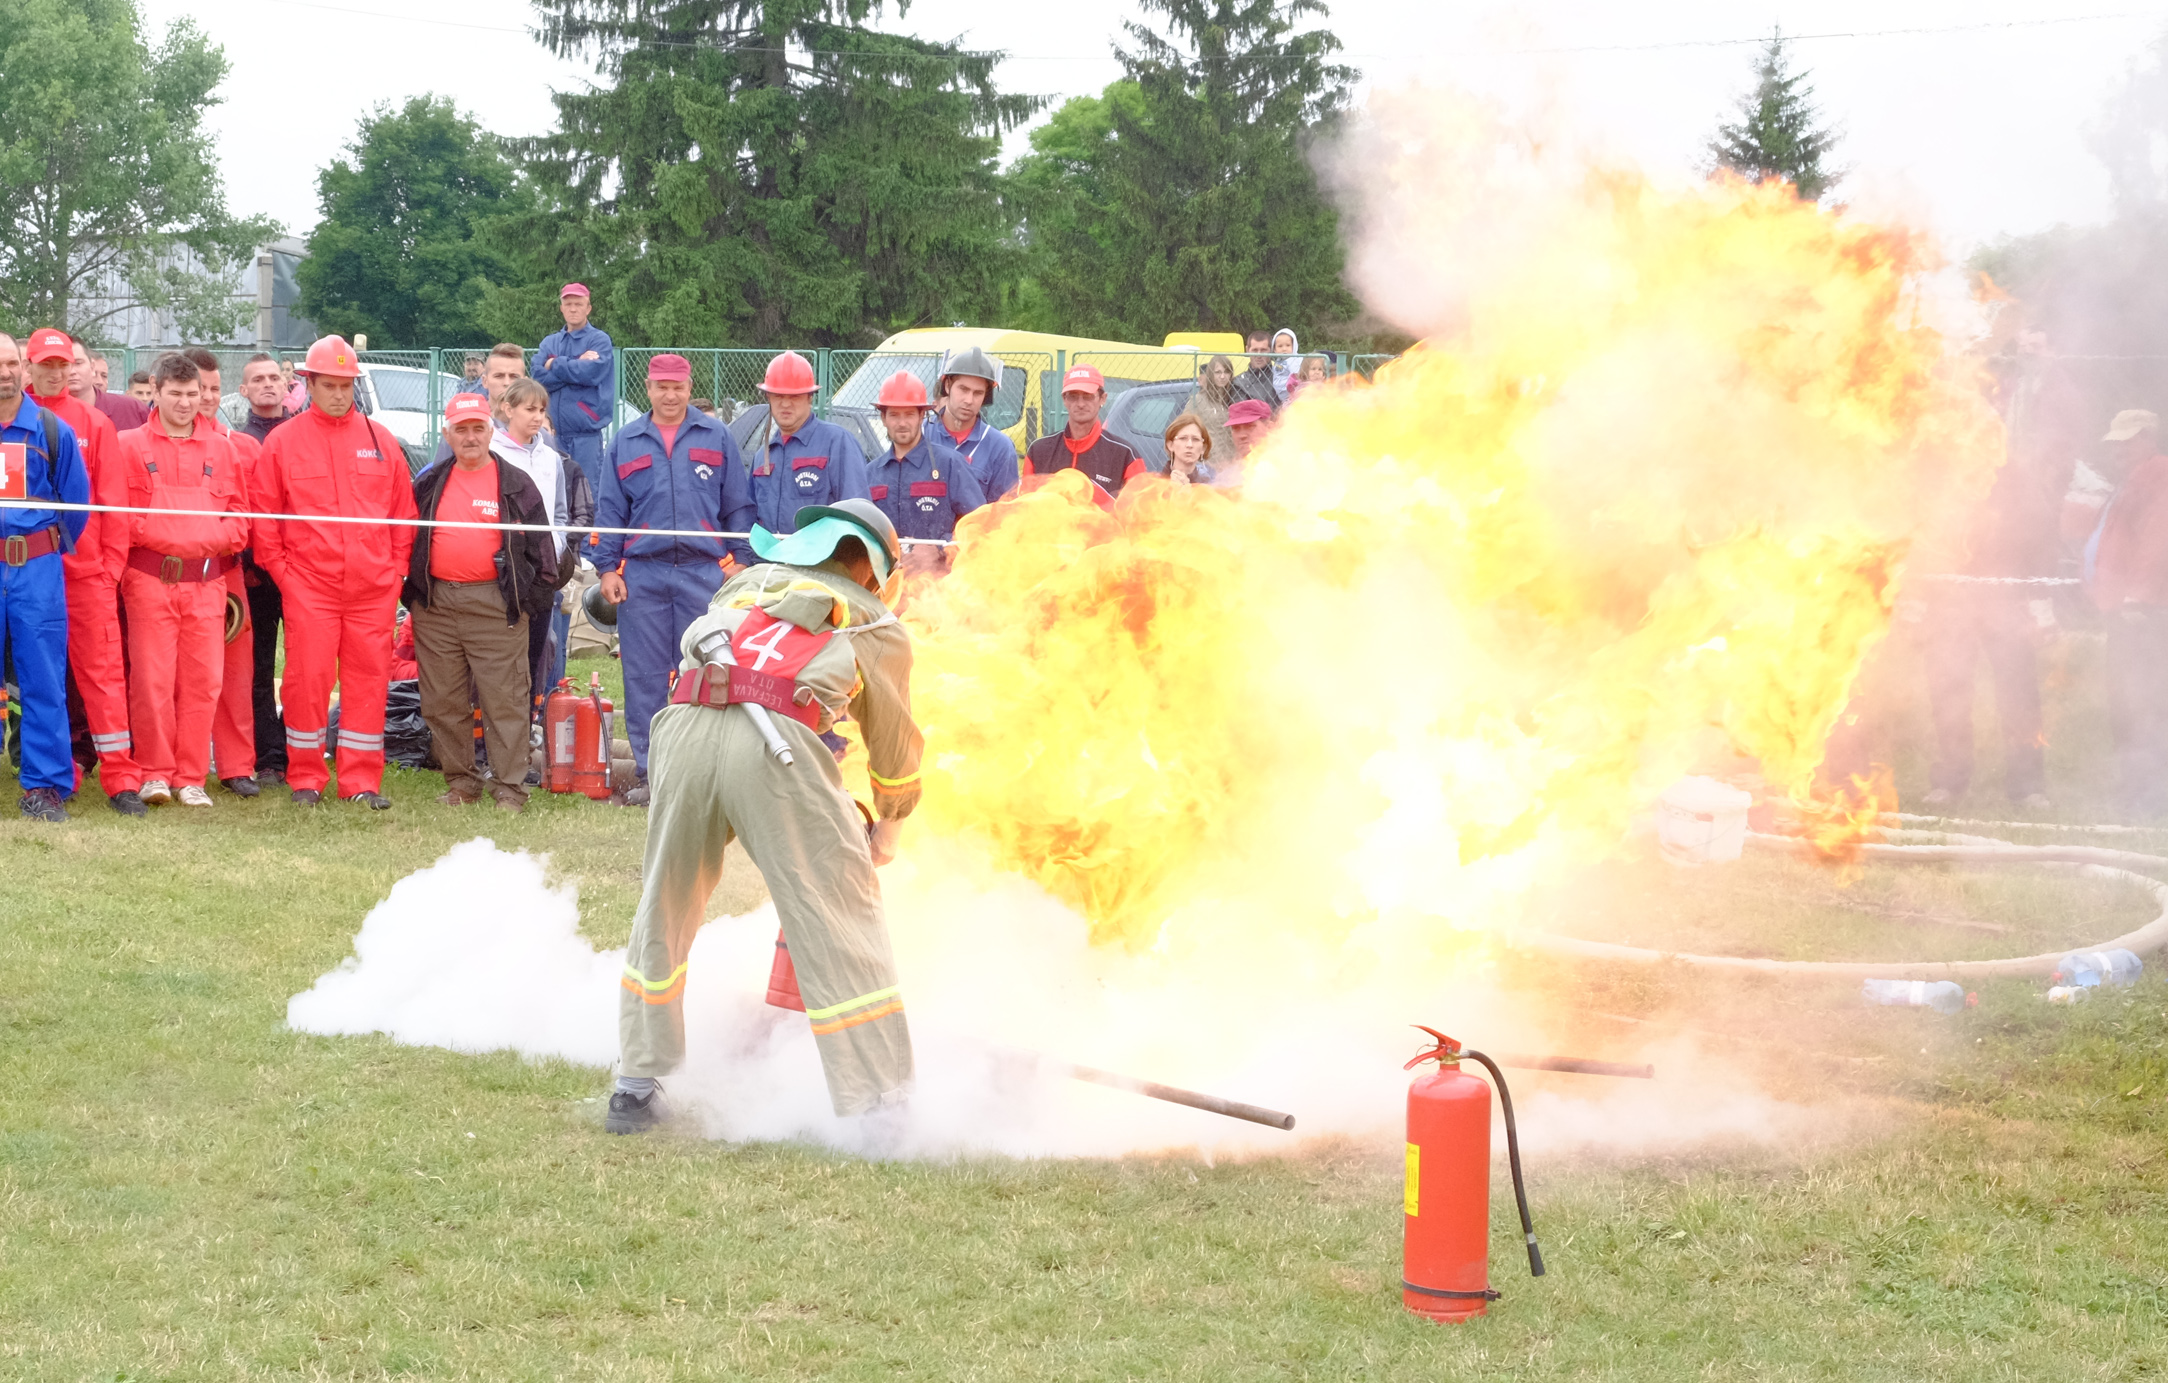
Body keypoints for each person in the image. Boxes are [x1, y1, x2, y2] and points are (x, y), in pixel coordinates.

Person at [608, 498, 922, 1134]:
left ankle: (635, 1085)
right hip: (773, 747)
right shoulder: (873, 621)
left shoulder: (745, 584)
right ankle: (878, 1105)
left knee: (665, 901)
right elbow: (893, 744)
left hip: (685, 731)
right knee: (836, 909)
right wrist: (889, 822)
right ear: (870, 569)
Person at [1921, 328, 2087, 810]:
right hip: (1952, 604)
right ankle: (1949, 780)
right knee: (1949, 690)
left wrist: (2036, 602)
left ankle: (2028, 785)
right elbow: (1927, 538)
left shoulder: (2012, 476)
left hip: (2006, 602)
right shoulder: (1944, 479)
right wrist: (1920, 599)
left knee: (2018, 695)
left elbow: (2038, 533)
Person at [254, 334, 418, 808]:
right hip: (311, 588)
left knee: (368, 683)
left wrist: (395, 574)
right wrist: (287, 577)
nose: (340, 394)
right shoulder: (283, 442)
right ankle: (305, 777)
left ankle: (361, 781)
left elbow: (403, 516)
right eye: (330, 385)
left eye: (347, 385)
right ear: (308, 384)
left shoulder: (380, 439)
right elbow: (266, 520)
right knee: (307, 682)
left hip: (373, 590)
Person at [595, 353, 753, 803]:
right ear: (648, 388)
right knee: (644, 677)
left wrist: (740, 559)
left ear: (688, 388)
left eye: (677, 387)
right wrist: (608, 567)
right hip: (642, 576)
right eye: (661, 387)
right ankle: (650, 774)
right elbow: (610, 511)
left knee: (708, 674)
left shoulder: (716, 435)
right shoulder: (625, 441)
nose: (670, 395)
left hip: (704, 575)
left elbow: (737, 504)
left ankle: (707, 771)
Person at [406, 394, 559, 812]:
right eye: (461, 429)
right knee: (442, 701)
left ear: (491, 431)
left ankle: (509, 787)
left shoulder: (515, 484)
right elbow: (404, 541)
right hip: (435, 605)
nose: (470, 437)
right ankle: (461, 783)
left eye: (478, 428)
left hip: (496, 604)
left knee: (504, 700)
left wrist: (525, 602)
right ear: (447, 434)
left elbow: (544, 554)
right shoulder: (428, 482)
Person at [113, 353, 251, 809]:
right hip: (149, 580)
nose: (186, 403)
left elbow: (240, 523)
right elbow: (118, 518)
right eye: (175, 394)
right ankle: (154, 771)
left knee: (204, 681)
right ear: (155, 391)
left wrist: (200, 537)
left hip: (207, 585)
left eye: (193, 394)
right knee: (151, 679)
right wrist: (180, 533)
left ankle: (191, 775)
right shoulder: (127, 445)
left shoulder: (224, 450)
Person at [23, 329, 143, 815]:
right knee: (41, 678)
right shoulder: (15, 419)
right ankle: (54, 776)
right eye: (46, 364)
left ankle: (120, 778)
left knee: (104, 677)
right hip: (30, 572)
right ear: (28, 367)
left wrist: (109, 566)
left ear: (77, 367)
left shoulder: (95, 424)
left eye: (64, 363)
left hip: (87, 575)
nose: (57, 373)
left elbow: (113, 504)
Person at [0, 333, 93, 822]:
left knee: (42, 676)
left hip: (36, 569)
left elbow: (74, 506)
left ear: (24, 369)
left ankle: (44, 785)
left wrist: (36, 546)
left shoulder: (49, 429)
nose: (4, 372)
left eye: (10, 362)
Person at [182, 350, 270, 798]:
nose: (208, 398)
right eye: (202, 389)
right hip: (173, 576)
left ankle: (237, 766)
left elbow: (251, 517)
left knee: (235, 675)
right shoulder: (163, 444)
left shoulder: (245, 447)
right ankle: (181, 767)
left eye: (215, 389)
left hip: (227, 572)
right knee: (182, 675)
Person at [2088, 409, 2168, 815]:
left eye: (2127, 442)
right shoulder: (2134, 478)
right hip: (2124, 609)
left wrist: (2138, 596)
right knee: (2124, 701)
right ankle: (2132, 791)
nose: (2118, 450)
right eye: (2115, 443)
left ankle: (2148, 798)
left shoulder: (2158, 476)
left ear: (2147, 438)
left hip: (2145, 613)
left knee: (2144, 701)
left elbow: (2158, 538)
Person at [495, 376, 591, 700]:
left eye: (541, 410)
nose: (537, 416)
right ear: (508, 409)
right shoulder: (492, 452)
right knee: (503, 651)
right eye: (529, 409)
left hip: (542, 575)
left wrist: (555, 548)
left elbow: (560, 513)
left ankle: (532, 718)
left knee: (539, 648)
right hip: (503, 573)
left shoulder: (552, 459)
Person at [733, 351, 870, 567]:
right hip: (768, 570)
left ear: (809, 397)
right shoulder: (762, 456)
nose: (785, 404)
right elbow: (750, 520)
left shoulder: (837, 442)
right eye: (778, 396)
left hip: (820, 571)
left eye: (794, 396)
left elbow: (857, 516)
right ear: (768, 397)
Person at [866, 371, 986, 574]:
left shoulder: (949, 464)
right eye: (894, 415)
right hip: (885, 587)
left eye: (910, 414)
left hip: (937, 590)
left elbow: (980, 524)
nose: (902, 423)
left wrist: (941, 550)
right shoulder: (870, 474)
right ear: (883, 418)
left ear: (922, 416)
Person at [533, 283, 614, 497]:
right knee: (551, 493)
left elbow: (591, 373)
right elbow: (538, 377)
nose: (573, 308)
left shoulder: (599, 340)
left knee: (585, 496)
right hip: (552, 435)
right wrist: (576, 362)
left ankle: (585, 533)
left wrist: (555, 364)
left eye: (579, 304)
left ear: (588, 308)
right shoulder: (550, 341)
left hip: (585, 434)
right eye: (568, 304)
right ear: (561, 308)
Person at [1025, 364, 1146, 497]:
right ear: (1064, 400)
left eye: (1087, 396)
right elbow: (1024, 503)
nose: (1080, 404)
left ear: (1102, 398)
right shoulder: (1039, 450)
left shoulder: (1124, 454)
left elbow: (1138, 510)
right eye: (1073, 396)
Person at [933, 347, 1019, 503]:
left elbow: (1004, 512)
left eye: (978, 393)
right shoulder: (922, 434)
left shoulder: (1000, 448)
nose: (969, 400)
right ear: (947, 386)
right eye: (963, 389)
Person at [431, 344, 531, 465]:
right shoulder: (461, 426)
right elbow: (439, 474)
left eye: (514, 376)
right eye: (499, 376)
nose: (506, 383)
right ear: (485, 381)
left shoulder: (538, 432)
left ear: (525, 382)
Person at [73, 342, 149, 431]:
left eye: (104, 376)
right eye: (94, 374)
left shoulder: (133, 409)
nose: (99, 382)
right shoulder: (57, 414)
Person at [1182, 354, 1237, 459]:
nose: (1222, 376)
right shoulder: (1198, 400)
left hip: (1231, 462)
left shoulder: (1235, 399)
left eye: (1226, 372)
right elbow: (1184, 428)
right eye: (1218, 372)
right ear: (1211, 374)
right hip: (1208, 461)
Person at [238, 354, 291, 444]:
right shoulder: (238, 443)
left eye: (274, 379)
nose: (268, 384)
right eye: (258, 380)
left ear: (284, 387)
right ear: (244, 390)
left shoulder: (304, 435)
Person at [1230, 331, 1281, 415]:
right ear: (1247, 350)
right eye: (1255, 350)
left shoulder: (1280, 378)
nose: (1259, 355)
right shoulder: (1238, 383)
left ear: (1271, 350)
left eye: (1263, 350)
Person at [1163, 413, 1216, 486]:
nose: (1189, 445)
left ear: (1203, 448)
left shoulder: (1208, 484)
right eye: (1183, 438)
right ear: (1170, 445)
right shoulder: (1156, 482)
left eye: (1195, 439)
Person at [1269, 329, 1300, 401]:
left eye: (1288, 345)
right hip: (1281, 396)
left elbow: (1295, 377)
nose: (1284, 349)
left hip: (1292, 396)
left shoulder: (1295, 361)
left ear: (1294, 346)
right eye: (1280, 346)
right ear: (1274, 349)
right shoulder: (1278, 362)